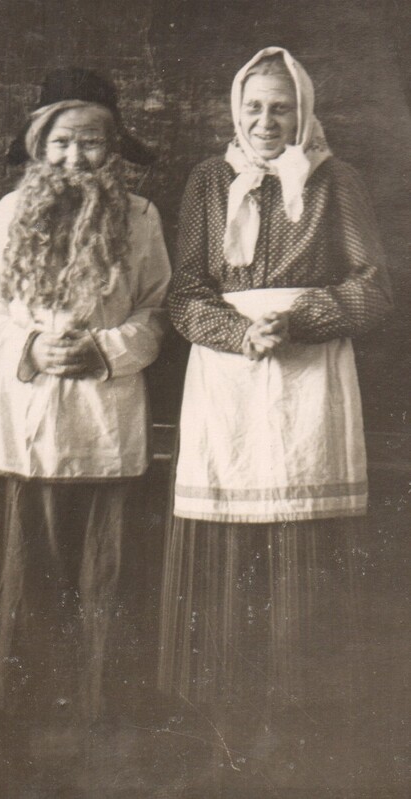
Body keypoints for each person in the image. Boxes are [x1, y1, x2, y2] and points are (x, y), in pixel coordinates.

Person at [158, 47, 392, 751]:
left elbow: (374, 287)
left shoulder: (334, 181)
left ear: (303, 111)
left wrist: (299, 320)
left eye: (280, 107)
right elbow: (185, 292)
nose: (265, 121)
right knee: (228, 539)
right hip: (228, 377)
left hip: (309, 373)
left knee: (300, 541)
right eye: (253, 106)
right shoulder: (209, 181)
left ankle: (297, 716)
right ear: (236, 109)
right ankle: (226, 713)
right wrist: (236, 330)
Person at [0, 68, 171, 728]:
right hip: (28, 421)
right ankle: (25, 715)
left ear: (112, 149)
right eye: (60, 143)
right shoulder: (9, 213)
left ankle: (98, 714)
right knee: (30, 578)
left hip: (105, 422)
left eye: (89, 143)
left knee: (104, 576)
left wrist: (105, 350)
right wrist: (27, 348)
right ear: (38, 144)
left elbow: (155, 311)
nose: (74, 158)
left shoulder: (140, 219)